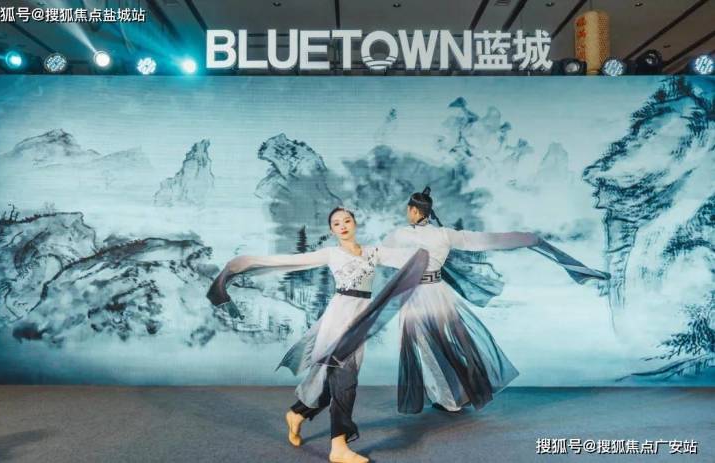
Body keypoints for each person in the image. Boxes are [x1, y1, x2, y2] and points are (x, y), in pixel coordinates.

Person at [317, 188, 609, 415]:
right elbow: (488, 239)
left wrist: (346, 257)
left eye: (409, 210)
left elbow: (376, 255)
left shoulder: (400, 234)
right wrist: (529, 239)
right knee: (450, 344)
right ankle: (454, 396)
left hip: (416, 295)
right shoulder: (446, 234)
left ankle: (451, 398)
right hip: (439, 292)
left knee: (428, 349)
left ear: (413, 211)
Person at [207, 207, 428, 463]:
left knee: (329, 383)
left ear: (355, 223)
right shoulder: (331, 253)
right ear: (332, 230)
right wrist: (240, 264)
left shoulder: (373, 252)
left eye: (347, 221)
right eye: (336, 223)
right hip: (337, 321)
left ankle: (297, 414)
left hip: (360, 322)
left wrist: (429, 244)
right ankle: (339, 448)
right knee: (345, 381)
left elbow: (412, 257)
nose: (343, 226)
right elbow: (284, 261)